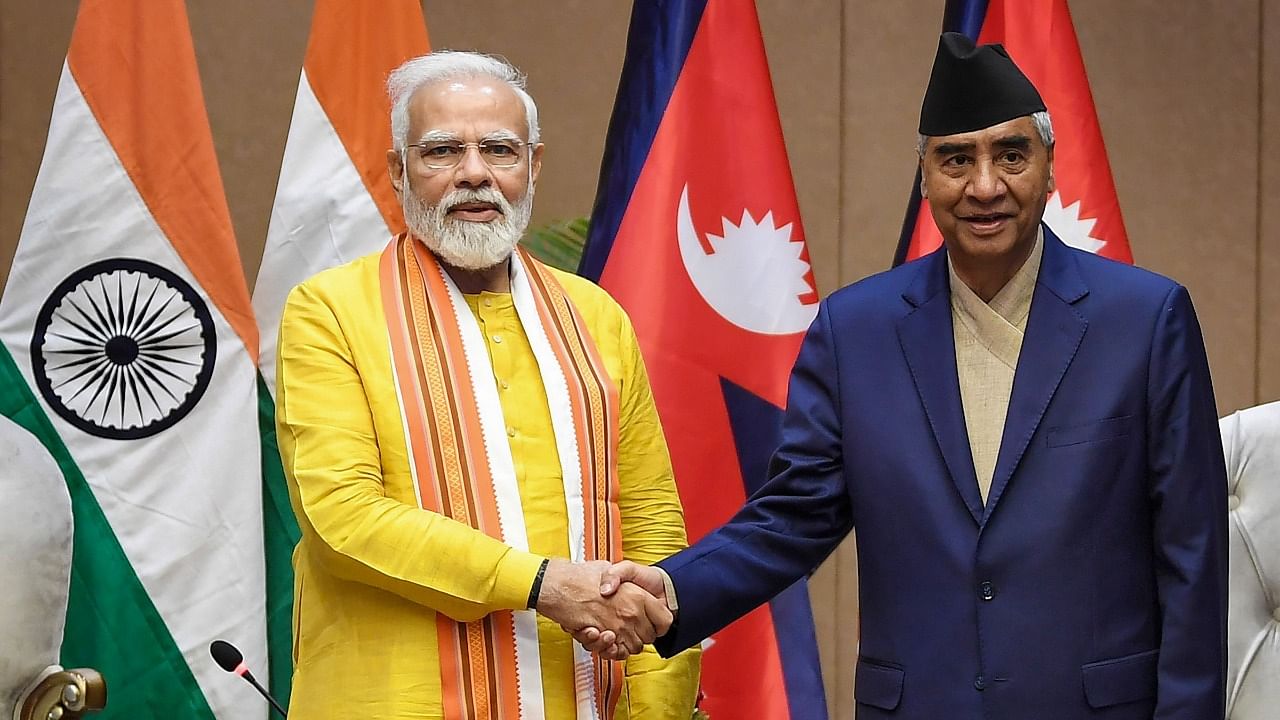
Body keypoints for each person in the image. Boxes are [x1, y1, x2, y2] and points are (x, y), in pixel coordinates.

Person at [584, 32, 1228, 719]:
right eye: (957, 160)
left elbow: (1193, 552)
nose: (985, 185)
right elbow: (793, 518)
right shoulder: (856, 331)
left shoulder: (1144, 319)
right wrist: (669, 592)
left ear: (1049, 169)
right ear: (925, 176)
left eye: (1011, 155)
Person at [274, 50, 699, 719]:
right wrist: (543, 585)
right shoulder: (329, 312)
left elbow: (650, 527)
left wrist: (658, 709)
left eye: (499, 149)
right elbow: (343, 516)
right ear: (397, 171)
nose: (474, 173)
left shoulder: (594, 317)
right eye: (442, 151)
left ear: (533, 166)